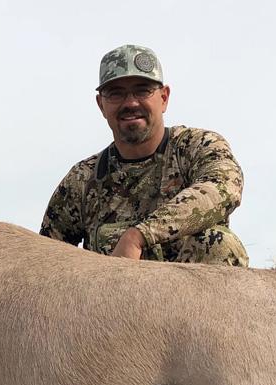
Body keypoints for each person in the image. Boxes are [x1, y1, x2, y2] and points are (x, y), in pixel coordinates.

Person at [40, 44, 249, 266]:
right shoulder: (82, 179)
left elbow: (224, 189)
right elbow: (46, 258)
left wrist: (138, 236)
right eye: (116, 93)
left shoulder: (196, 146)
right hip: (112, 297)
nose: (130, 103)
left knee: (218, 243)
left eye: (142, 90)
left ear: (164, 98)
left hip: (194, 296)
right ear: (101, 105)